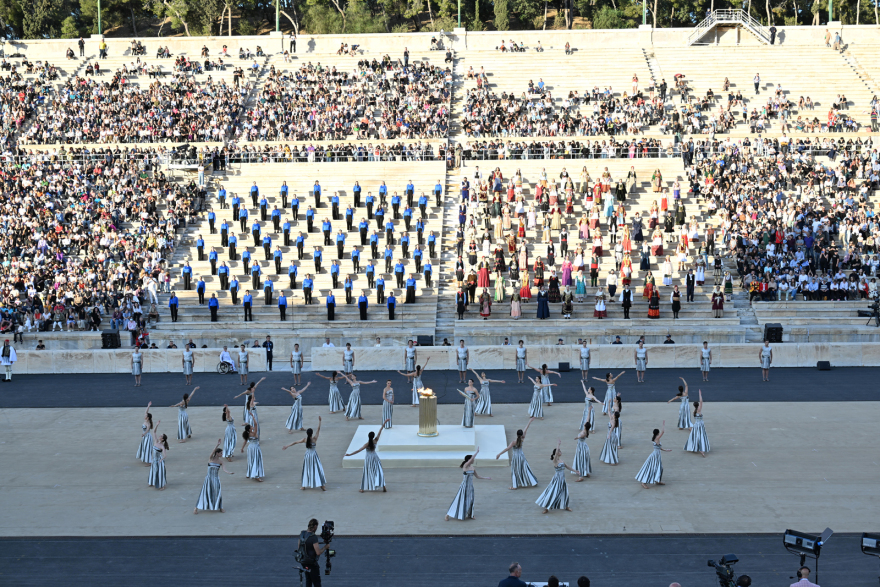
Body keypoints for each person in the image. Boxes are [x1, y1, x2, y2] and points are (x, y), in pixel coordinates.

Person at [344, 421, 391, 492]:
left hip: (369, 459)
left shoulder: (367, 444)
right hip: (375, 457)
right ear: (373, 436)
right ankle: (384, 486)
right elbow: (380, 431)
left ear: (368, 436)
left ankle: (362, 488)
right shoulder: (375, 440)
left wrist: (350, 454)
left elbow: (358, 450)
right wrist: (384, 423)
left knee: (367, 472)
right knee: (378, 471)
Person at [445, 448, 491, 521]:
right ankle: (448, 514)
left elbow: (477, 476)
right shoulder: (465, 466)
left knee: (471, 500)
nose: (473, 460)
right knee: (459, 500)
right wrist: (476, 452)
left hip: (470, 487)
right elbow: (470, 460)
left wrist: (486, 478)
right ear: (469, 460)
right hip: (464, 487)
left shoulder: (472, 468)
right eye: (472, 459)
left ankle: (470, 515)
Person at [283, 416, 326, 491]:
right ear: (312, 433)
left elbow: (295, 442)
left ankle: (303, 486)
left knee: (306, 470)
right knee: (317, 469)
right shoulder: (314, 439)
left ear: (307, 433)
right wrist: (320, 421)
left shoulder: (305, 440)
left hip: (307, 456)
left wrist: (287, 446)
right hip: (314, 456)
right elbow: (318, 429)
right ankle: (322, 485)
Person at [193, 439, 234, 514]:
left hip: (215, 479)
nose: (222, 454)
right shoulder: (211, 459)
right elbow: (212, 452)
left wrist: (229, 472)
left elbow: (224, 469)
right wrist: (217, 445)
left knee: (218, 492)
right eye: (221, 453)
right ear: (217, 453)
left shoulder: (221, 462)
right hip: (208, 479)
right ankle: (196, 508)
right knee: (204, 492)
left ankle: (220, 507)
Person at [535, 440, 574, 514]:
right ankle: (547, 507)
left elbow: (568, 467)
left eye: (560, 451)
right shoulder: (555, 461)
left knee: (565, 492)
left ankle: (566, 506)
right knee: (553, 492)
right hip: (557, 479)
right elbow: (555, 454)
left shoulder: (562, 461)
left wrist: (575, 471)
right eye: (559, 451)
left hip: (562, 479)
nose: (560, 452)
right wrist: (558, 445)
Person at [635, 421, 672, 489]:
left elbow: (659, 448)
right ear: (658, 433)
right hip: (655, 456)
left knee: (659, 468)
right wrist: (663, 425)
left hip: (657, 455)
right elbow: (663, 432)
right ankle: (643, 483)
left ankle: (658, 480)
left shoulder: (656, 439)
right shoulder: (657, 438)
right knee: (651, 468)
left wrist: (666, 450)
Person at [297, 518, 330, 587]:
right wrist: (325, 547)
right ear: (315, 526)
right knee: (317, 582)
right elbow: (318, 552)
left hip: (303, 561)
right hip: (311, 563)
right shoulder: (313, 537)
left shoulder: (302, 534)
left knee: (308, 580)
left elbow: (299, 547)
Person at [684, 389, 710, 457]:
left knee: (695, 436)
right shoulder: (698, 410)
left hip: (696, 425)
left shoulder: (694, 411)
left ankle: (694, 447)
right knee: (701, 436)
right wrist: (700, 394)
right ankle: (702, 450)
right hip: (700, 425)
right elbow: (701, 402)